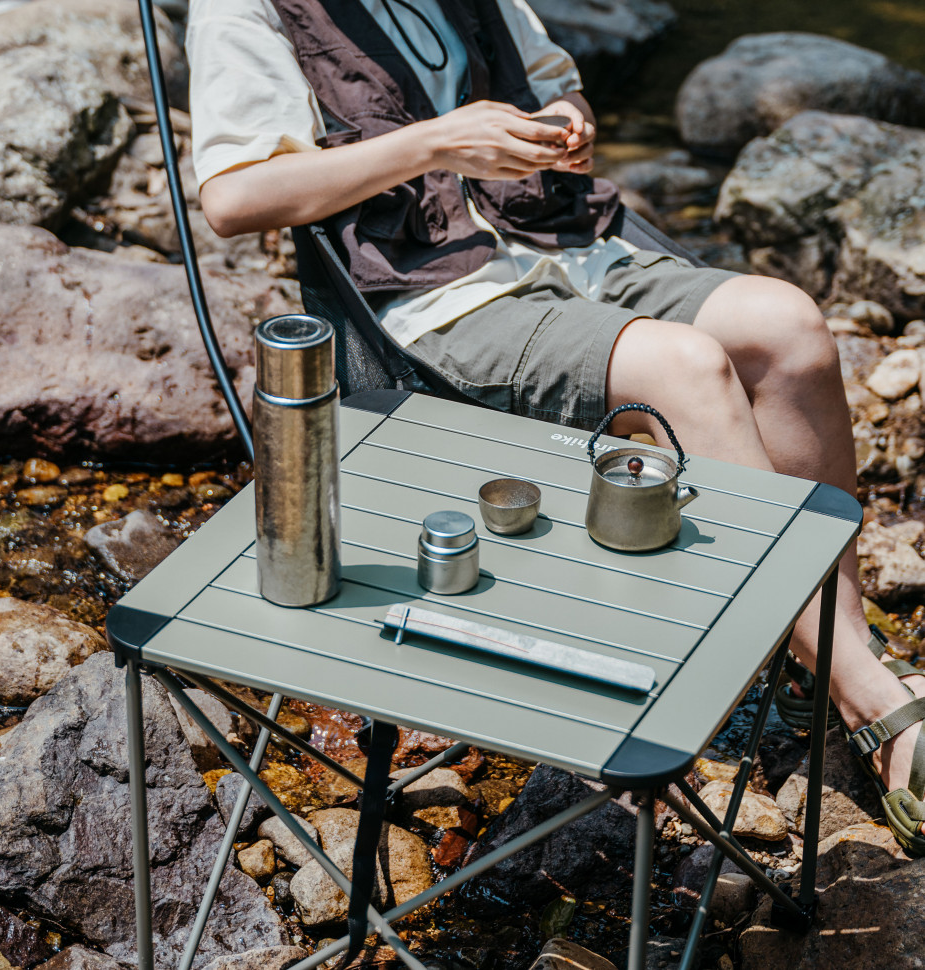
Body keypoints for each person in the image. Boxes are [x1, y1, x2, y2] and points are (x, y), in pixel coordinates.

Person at [186, 0, 925, 855]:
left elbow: (555, 86)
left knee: (790, 328)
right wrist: (437, 143)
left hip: (569, 247)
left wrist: (565, 126)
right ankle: (870, 698)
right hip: (432, 303)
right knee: (685, 369)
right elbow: (234, 198)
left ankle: (823, 658)